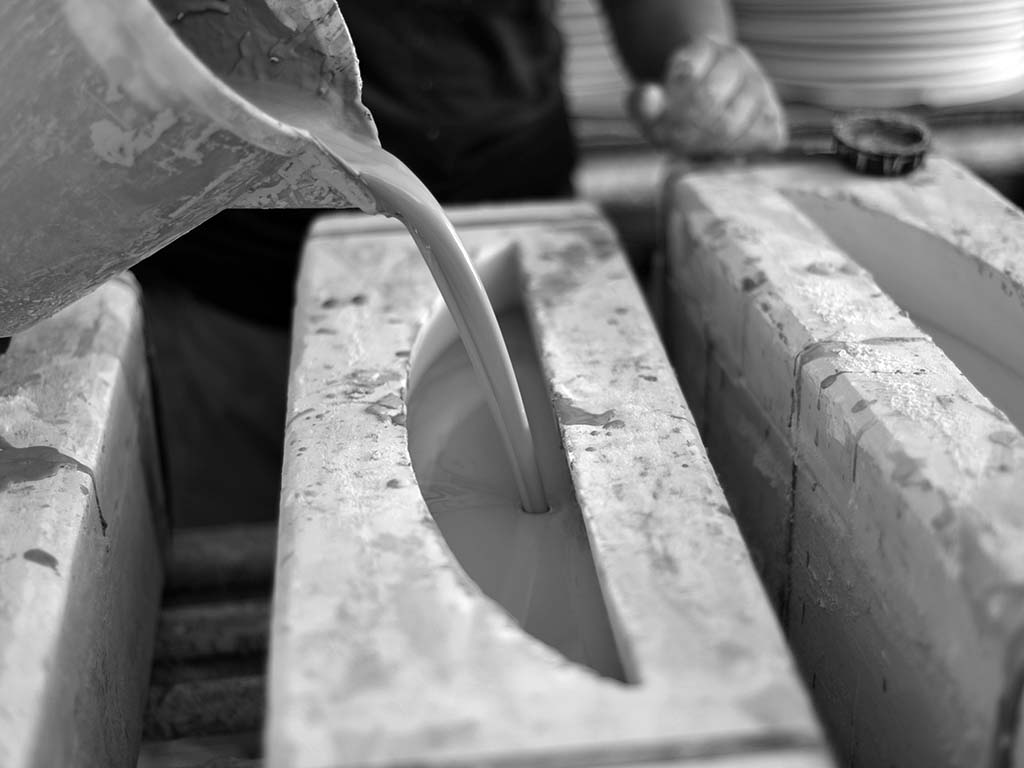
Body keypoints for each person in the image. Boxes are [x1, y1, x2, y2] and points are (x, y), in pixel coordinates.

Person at [134, 0, 786, 527]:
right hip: (232, 297)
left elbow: (662, 27)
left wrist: (704, 75)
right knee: (245, 567)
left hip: (519, 264)